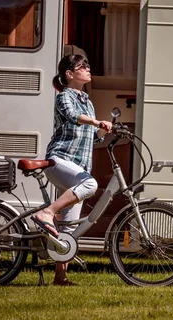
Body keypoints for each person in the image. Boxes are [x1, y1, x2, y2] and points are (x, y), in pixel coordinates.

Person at [32, 50, 112, 286]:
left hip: (76, 164)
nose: (88, 68)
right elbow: (72, 116)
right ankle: (46, 213)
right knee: (90, 184)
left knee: (69, 227)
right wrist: (97, 121)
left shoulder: (87, 101)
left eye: (87, 65)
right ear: (69, 74)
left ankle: (60, 276)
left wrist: (103, 131)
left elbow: (90, 138)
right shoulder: (65, 96)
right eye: (82, 66)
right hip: (59, 160)